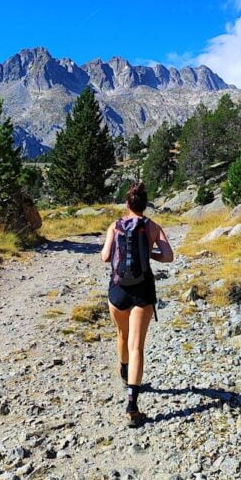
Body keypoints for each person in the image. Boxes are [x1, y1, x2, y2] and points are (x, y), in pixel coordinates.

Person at [101, 181, 174, 427]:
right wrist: (149, 251)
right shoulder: (153, 227)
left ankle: (123, 370)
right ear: (145, 204)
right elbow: (168, 256)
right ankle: (132, 406)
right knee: (137, 348)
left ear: (127, 204)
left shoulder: (115, 225)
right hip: (143, 291)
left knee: (122, 335)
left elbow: (105, 257)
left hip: (118, 289)